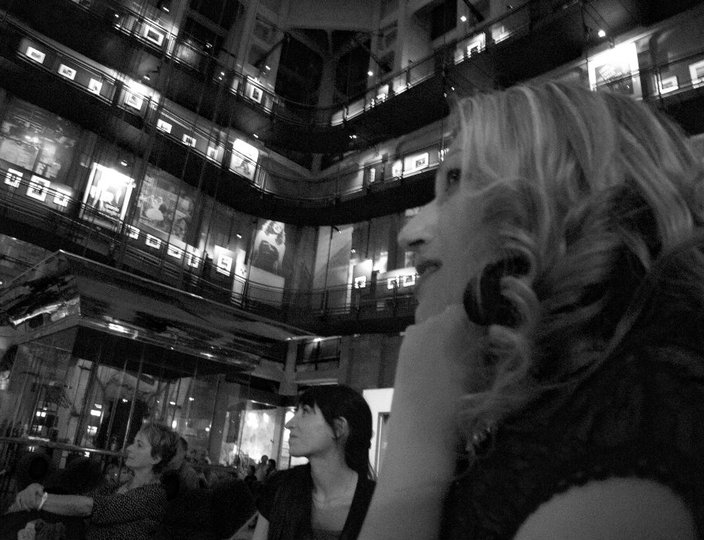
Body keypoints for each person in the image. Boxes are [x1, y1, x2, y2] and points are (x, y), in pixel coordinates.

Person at [358, 81, 704, 539]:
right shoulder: (577, 396)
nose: (409, 234)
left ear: (562, 194)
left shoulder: (635, 416)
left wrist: (414, 455)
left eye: (455, 179)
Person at [9, 422, 178, 539]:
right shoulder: (119, 486)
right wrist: (40, 518)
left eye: (139, 445)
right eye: (133, 442)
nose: (129, 448)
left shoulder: (154, 496)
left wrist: (40, 500)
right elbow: (81, 502)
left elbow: (92, 507)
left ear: (156, 458)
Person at [253, 385, 376, 540]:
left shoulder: (375, 502)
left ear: (338, 427)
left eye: (305, 411)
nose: (289, 424)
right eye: (296, 412)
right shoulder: (280, 487)